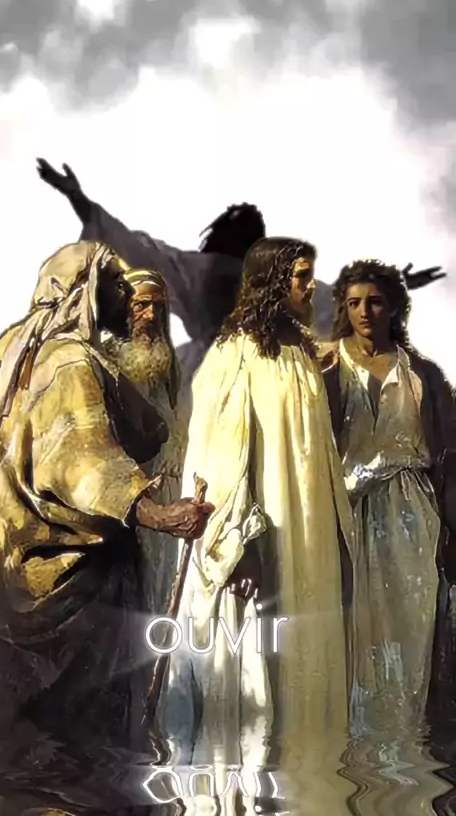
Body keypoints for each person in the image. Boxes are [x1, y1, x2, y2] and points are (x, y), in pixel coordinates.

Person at [0, 240, 213, 746]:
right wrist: (161, 515)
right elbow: (83, 461)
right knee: (84, 742)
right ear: (84, 289)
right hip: (70, 587)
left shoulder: (8, 356)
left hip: (5, 573)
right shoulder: (68, 362)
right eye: (114, 282)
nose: (124, 293)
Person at [160, 236, 355, 789]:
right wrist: (237, 544)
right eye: (300, 276)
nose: (310, 286)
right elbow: (219, 456)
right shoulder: (236, 355)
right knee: (263, 677)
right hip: (265, 537)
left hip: (310, 537)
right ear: (272, 282)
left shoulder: (301, 353)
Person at [35, 159, 445, 395]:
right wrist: (396, 283)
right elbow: (342, 300)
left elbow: (341, 301)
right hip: (236, 376)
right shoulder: (214, 272)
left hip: (240, 374)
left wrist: (78, 198)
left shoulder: (216, 272)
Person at [322, 259, 456, 738]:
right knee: (351, 630)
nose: (364, 312)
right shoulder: (327, 365)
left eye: (375, 302)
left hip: (412, 514)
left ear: (394, 307)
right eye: (354, 302)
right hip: (347, 513)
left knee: (409, 629)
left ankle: (405, 749)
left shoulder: (423, 373)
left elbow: (449, 455)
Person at [103, 267, 189, 613]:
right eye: (141, 305)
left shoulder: (169, 366)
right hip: (126, 504)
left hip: (169, 497)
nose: (150, 316)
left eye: (158, 307)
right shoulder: (104, 362)